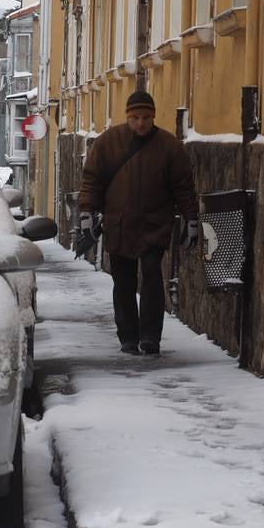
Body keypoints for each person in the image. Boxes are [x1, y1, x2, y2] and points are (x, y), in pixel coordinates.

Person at [78, 90, 199, 356]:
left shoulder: (169, 146)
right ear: (127, 117)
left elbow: (183, 186)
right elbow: (92, 179)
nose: (141, 123)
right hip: (119, 223)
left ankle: (150, 337)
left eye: (145, 118)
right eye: (135, 118)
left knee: (153, 278)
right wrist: (87, 211)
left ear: (153, 117)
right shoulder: (108, 142)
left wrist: (191, 217)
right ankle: (128, 337)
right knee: (123, 282)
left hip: (154, 222)